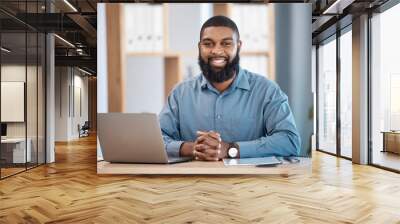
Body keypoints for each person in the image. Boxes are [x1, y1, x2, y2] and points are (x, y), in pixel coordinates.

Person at [159, 15, 300, 161]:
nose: (217, 51)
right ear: (199, 47)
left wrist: (231, 149)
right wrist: (194, 148)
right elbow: (157, 139)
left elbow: (289, 141)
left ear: (238, 46)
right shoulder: (180, 94)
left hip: (250, 182)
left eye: (226, 44)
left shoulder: (267, 91)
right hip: (193, 181)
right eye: (208, 44)